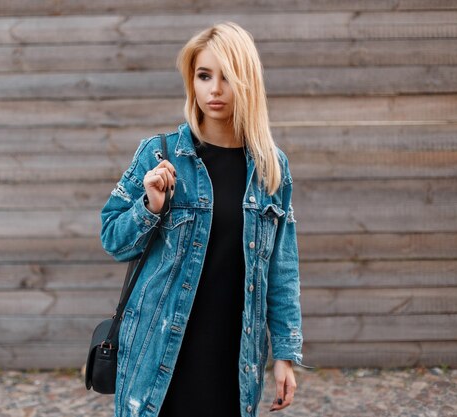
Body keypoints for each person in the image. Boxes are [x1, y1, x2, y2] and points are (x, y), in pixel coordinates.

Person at [100, 21, 311, 417]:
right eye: (204, 75)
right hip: (158, 353)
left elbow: (283, 270)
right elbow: (112, 239)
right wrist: (150, 206)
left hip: (234, 359)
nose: (214, 89)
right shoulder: (159, 154)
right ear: (191, 82)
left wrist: (285, 355)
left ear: (247, 82)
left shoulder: (270, 169)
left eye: (227, 77)